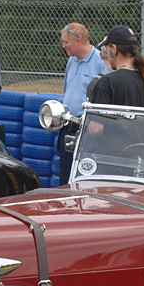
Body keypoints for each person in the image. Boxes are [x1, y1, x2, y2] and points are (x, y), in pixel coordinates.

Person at [83, 25, 144, 157]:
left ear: (113, 49)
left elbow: (96, 129)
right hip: (136, 162)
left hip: (107, 161)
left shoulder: (106, 83)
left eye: (107, 50)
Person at [58, 22, 105, 183]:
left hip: (87, 130)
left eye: (66, 42)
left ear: (78, 40)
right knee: (65, 177)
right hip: (67, 127)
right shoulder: (72, 60)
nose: (63, 46)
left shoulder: (100, 60)